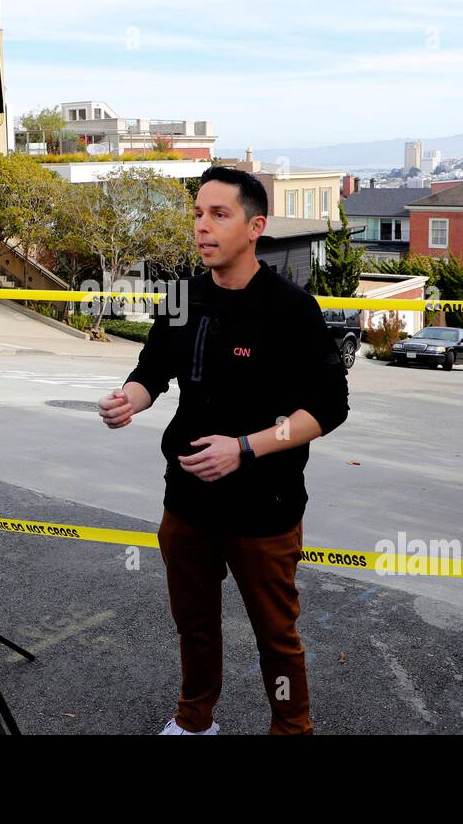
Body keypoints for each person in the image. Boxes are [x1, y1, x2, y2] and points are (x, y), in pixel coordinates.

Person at [96, 166, 348, 735]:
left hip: (264, 503)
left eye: (218, 214)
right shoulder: (184, 296)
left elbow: (328, 407)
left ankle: (291, 727)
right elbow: (153, 369)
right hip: (186, 498)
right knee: (195, 624)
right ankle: (193, 722)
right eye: (197, 215)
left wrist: (246, 448)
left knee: (275, 633)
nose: (202, 227)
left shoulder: (290, 309)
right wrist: (130, 400)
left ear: (255, 226)